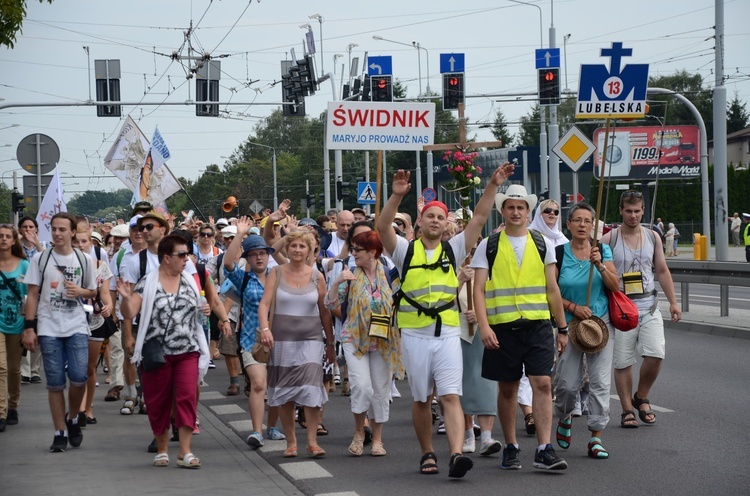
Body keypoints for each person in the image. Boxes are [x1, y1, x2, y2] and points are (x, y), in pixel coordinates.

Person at [376, 164, 514, 479]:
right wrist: (397, 196)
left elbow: (479, 218)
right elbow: (382, 226)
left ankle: (454, 455)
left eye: (441, 217)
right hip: (414, 334)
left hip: (448, 332)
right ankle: (427, 453)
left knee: (451, 395)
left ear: (445, 223)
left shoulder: (454, 249)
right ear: (420, 223)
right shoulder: (404, 251)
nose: (435, 221)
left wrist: (492, 185)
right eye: (430, 216)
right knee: (423, 398)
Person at [472, 184, 569, 471]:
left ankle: (543, 448)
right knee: (508, 389)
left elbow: (553, 289)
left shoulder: (542, 243)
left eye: (521, 207)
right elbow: (478, 289)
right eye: (510, 207)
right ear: (502, 211)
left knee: (542, 383)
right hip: (502, 328)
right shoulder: (488, 245)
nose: (516, 212)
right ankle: (511, 446)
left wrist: (562, 328)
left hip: (537, 325)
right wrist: (484, 326)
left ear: (528, 212)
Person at [117, 235, 211, 468]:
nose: (185, 259)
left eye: (187, 254)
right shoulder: (147, 282)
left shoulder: (189, 280)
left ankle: (185, 451)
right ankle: (162, 449)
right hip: (157, 354)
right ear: (167, 258)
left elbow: (197, 315)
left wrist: (205, 311)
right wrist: (126, 299)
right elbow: (129, 312)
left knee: (187, 397)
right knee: (158, 401)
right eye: (181, 255)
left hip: (188, 351)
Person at [600, 191, 681, 428]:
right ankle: (627, 410)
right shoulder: (609, 240)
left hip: (649, 305)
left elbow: (662, 271)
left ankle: (641, 396)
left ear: (643, 210)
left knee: (656, 354)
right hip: (621, 309)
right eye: (628, 211)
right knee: (623, 362)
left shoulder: (653, 236)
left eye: (637, 211)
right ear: (621, 211)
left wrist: (673, 302)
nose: (633, 215)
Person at [22, 213, 97, 452]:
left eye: (62, 229)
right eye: (54, 229)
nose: (57, 234)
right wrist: (29, 328)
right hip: (48, 326)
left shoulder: (84, 260)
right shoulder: (41, 259)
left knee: (78, 378)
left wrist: (80, 291)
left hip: (76, 325)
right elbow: (32, 295)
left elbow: (92, 292)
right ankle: (59, 432)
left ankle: (73, 417)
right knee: (55, 383)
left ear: (73, 232)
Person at [256, 230, 335, 459]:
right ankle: (291, 442)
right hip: (281, 340)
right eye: (294, 246)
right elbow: (264, 305)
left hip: (311, 340)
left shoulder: (316, 276)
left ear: (310, 250)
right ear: (287, 249)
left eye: (302, 246)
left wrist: (330, 343)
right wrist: (265, 329)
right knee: (286, 392)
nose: (298, 250)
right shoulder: (276, 272)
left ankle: (312, 441)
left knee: (311, 390)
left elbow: (324, 312)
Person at [325, 230, 404, 457]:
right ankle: (359, 432)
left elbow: (401, 303)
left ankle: (377, 439)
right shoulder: (349, 273)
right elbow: (329, 303)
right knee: (361, 387)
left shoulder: (389, 273)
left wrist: (399, 336)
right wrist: (337, 282)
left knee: (380, 390)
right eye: (352, 249)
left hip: (383, 340)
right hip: (354, 338)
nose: (353, 254)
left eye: (357, 250)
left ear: (372, 252)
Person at [553, 203, 620, 459]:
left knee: (600, 382)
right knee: (568, 385)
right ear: (568, 224)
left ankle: (595, 437)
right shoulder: (558, 253)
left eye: (587, 221)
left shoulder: (602, 250)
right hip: (569, 324)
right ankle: (565, 416)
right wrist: (572, 307)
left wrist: (601, 265)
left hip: (599, 324)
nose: (582, 225)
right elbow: (551, 291)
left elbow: (615, 286)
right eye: (577, 220)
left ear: (593, 226)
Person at [223, 221, 285, 448]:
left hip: (279, 339)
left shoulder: (278, 274)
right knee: (259, 384)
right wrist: (239, 235)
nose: (259, 258)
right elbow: (228, 263)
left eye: (263, 254)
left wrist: (286, 236)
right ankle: (257, 431)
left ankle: (273, 427)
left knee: (276, 386)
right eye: (254, 255)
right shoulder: (244, 278)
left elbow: (292, 262)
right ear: (247, 258)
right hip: (252, 340)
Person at [523, 199, 569, 433]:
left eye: (555, 212)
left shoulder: (563, 241)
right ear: (538, 214)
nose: (552, 214)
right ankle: (529, 412)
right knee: (528, 371)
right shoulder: (529, 236)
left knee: (551, 367)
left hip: (557, 310)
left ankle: (561, 404)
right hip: (530, 311)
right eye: (547, 211)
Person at [456, 243, 503, 457]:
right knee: (464, 383)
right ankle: (467, 434)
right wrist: (460, 281)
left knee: (487, 383)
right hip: (459, 333)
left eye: (476, 248)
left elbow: (500, 298)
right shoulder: (452, 269)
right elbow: (439, 301)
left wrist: (484, 316)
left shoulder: (492, 269)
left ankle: (486, 436)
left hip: (486, 331)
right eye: (470, 248)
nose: (473, 252)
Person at [73, 230, 114, 427]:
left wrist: (109, 306)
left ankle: (88, 408)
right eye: (76, 241)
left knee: (90, 367)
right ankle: (78, 409)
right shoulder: (67, 267)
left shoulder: (101, 266)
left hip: (95, 320)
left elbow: (106, 293)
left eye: (84, 241)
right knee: (77, 368)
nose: (80, 245)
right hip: (72, 320)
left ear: (91, 244)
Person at [0, 224, 29, 432]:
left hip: (17, 322)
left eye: (7, 236)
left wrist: (30, 325)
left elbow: (30, 297)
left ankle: (13, 406)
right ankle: (0, 412)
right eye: (0, 236)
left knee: (14, 369)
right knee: (0, 367)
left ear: (13, 241)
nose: (3, 239)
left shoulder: (24, 265)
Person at [18, 216, 45, 385]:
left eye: (31, 227)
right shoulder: (16, 247)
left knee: (39, 330)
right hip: (20, 293)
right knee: (24, 329)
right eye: (25, 227)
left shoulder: (43, 247)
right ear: (20, 230)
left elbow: (48, 262)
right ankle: (25, 370)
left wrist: (37, 244)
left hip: (39, 294)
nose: (28, 230)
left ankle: (35, 369)